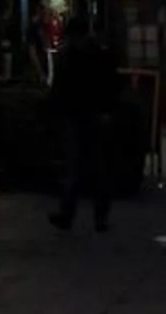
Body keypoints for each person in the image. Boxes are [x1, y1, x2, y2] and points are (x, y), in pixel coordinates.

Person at [47, 14, 119, 231]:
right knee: (98, 169)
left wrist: (55, 113)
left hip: (73, 116)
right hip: (93, 115)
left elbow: (58, 90)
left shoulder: (66, 56)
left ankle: (67, 215)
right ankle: (100, 218)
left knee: (72, 169)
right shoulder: (98, 54)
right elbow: (109, 84)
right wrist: (107, 111)